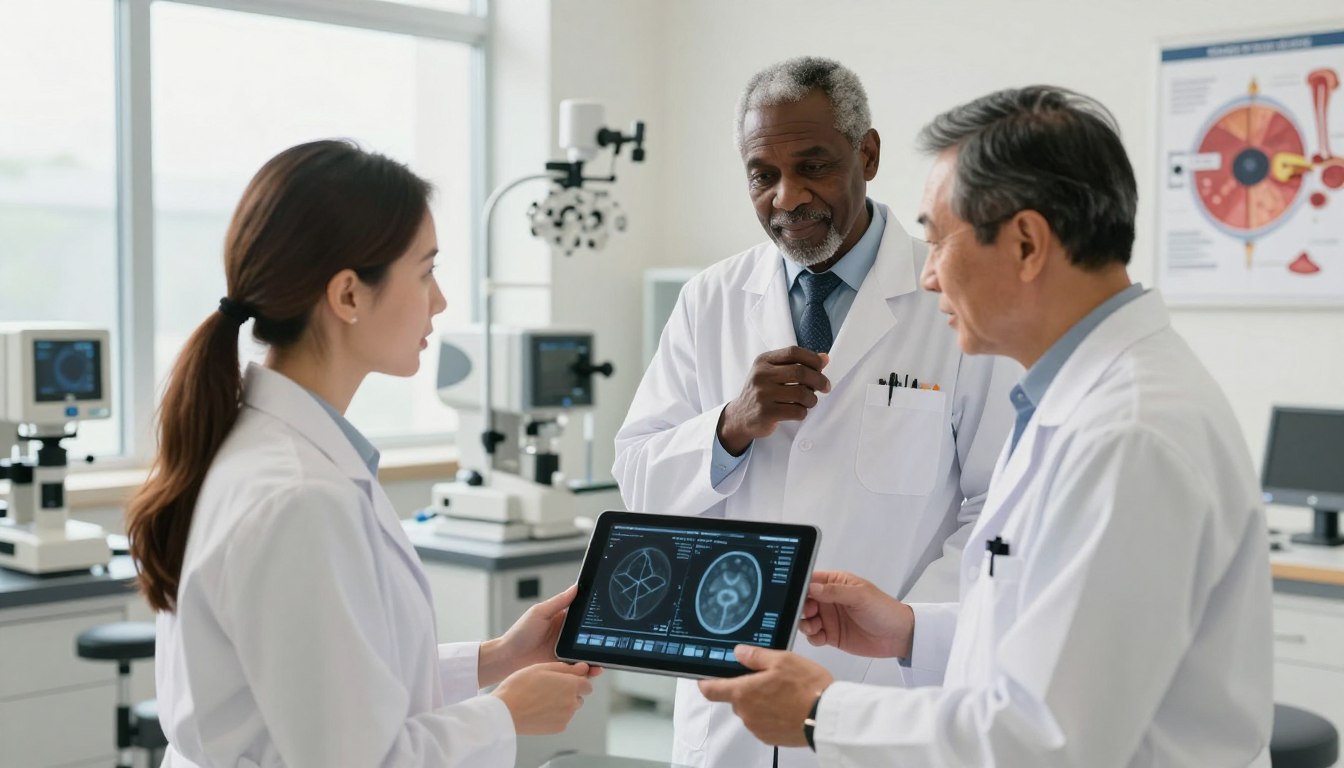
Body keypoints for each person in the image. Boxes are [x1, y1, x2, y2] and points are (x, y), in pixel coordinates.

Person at [698, 86, 1274, 766]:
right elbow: (1045, 634)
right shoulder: (1078, 405)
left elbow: (1046, 741)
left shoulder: (1127, 436)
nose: (931, 274)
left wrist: (825, 713)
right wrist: (914, 632)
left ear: (1027, 243)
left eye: (940, 240)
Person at [126, 140, 598, 767]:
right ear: (348, 295)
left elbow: (326, 685)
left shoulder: (273, 451)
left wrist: (497, 659)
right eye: (426, 271)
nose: (441, 300)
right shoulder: (301, 496)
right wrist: (505, 714)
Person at [613, 57, 1016, 768]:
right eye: (761, 175)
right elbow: (639, 482)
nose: (786, 197)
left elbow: (997, 511)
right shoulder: (711, 300)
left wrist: (909, 637)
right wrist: (729, 426)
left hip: (881, 700)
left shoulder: (947, 300)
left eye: (813, 165)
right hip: (732, 701)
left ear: (867, 154)